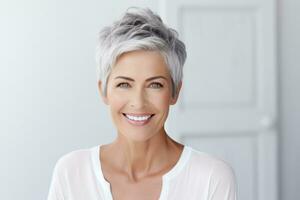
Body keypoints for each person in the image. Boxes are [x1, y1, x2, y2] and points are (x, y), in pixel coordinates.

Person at [47, 7, 237, 200]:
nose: (138, 103)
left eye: (155, 84)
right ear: (103, 91)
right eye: (124, 84)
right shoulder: (72, 173)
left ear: (175, 92)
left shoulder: (211, 178)